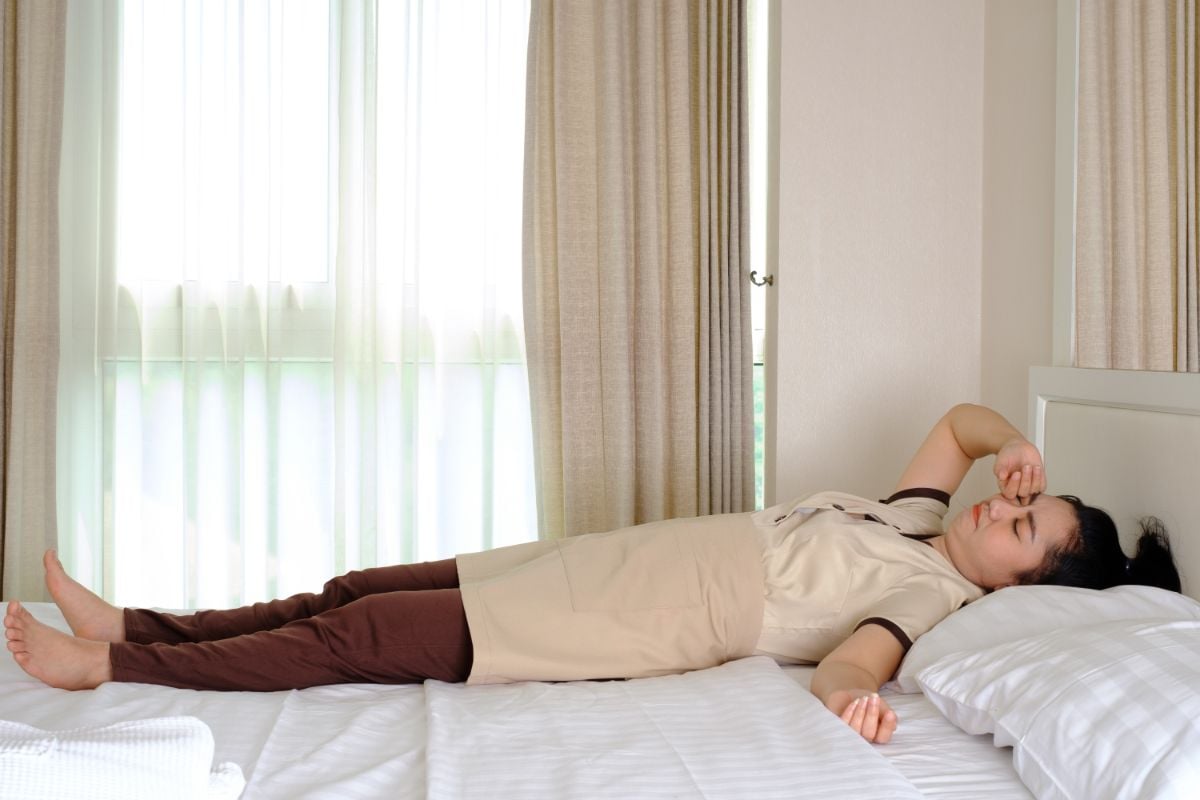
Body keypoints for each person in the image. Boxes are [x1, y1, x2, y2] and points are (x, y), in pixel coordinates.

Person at [4, 404, 1182, 745]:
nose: (1004, 504)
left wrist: (856, 705)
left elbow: (847, 666)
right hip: (593, 558)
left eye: (1026, 525)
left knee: (352, 644)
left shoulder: (929, 600)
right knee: (355, 587)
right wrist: (1013, 446)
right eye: (1024, 495)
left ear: (1018, 588)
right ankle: (142, 618)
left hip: (616, 616)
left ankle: (106, 661)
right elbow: (962, 426)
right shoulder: (915, 517)